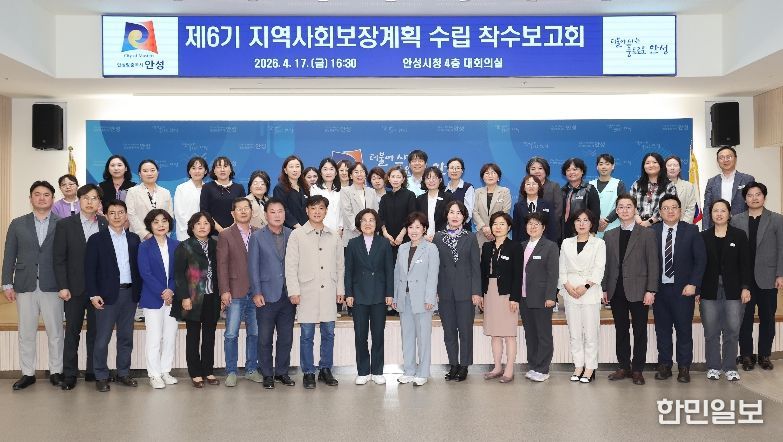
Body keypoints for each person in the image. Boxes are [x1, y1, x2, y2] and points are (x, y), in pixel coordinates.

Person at [2, 181, 63, 391]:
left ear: (52, 199)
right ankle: (27, 373)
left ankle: (56, 371)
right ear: (30, 198)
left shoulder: (62, 223)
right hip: (25, 284)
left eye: (46, 194)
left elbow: (66, 257)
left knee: (56, 332)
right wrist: (6, 283)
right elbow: (9, 254)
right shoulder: (17, 223)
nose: (41, 198)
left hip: (53, 286)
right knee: (26, 333)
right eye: (37, 194)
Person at [285, 195, 345, 389]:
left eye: (321, 208)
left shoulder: (334, 235)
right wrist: (293, 290)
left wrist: (340, 289)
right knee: (307, 335)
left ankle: (325, 369)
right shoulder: (297, 235)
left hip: (329, 291)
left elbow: (340, 265)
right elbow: (290, 266)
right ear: (307, 211)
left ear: (326, 211)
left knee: (329, 333)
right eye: (313, 208)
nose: (317, 212)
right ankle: (308, 372)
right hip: (306, 291)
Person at [53, 183, 107, 390]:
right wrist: (62, 286)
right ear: (79, 200)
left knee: (96, 332)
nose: (90, 202)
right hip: (73, 289)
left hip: (98, 291)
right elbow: (59, 258)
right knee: (72, 333)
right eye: (85, 198)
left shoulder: (105, 224)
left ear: (99, 202)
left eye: (94, 198)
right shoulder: (65, 225)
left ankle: (93, 371)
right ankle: (70, 374)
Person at [85, 200, 141, 392]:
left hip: (129, 295)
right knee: (102, 339)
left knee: (126, 337)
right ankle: (101, 375)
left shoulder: (134, 239)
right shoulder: (96, 239)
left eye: (120, 212)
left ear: (126, 215)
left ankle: (123, 373)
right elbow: (89, 270)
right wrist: (93, 294)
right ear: (106, 216)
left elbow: (138, 268)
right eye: (112, 213)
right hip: (106, 297)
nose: (117, 216)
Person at [602, 194, 658, 385]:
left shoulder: (647, 234)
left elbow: (653, 263)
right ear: (616, 211)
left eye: (628, 206)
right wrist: (604, 288)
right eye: (621, 207)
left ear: (635, 210)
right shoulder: (609, 235)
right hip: (616, 290)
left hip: (640, 291)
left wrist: (651, 290)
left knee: (640, 331)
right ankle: (623, 366)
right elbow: (607, 265)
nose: (624, 210)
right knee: (621, 330)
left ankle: (637, 369)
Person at [652, 195, 706, 384]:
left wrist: (694, 284)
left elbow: (700, 260)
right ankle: (665, 365)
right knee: (662, 331)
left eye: (674, 207)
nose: (670, 211)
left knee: (684, 331)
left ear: (680, 210)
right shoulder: (652, 231)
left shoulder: (691, 230)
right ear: (660, 212)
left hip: (684, 290)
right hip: (659, 291)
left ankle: (684, 367)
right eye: (665, 208)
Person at [731, 181, 783, 371]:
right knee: (744, 319)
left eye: (758, 194)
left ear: (764, 197)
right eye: (750, 195)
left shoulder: (776, 219)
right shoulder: (736, 220)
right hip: (743, 280)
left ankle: (764, 355)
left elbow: (781, 248)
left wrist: (780, 274)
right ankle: (746, 355)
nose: (754, 198)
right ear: (745, 199)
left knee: (767, 318)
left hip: (768, 277)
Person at [699, 199, 752, 381]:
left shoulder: (739, 235)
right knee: (711, 331)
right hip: (708, 290)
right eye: (716, 210)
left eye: (723, 210)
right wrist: (697, 289)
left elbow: (746, 264)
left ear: (729, 214)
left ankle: (730, 367)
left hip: (734, 290)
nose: (719, 214)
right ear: (710, 214)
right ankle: (713, 367)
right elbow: (699, 265)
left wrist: (746, 287)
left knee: (732, 330)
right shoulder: (703, 236)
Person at [248, 199, 297, 389]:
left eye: (280, 211)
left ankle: (282, 372)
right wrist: (256, 292)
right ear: (266, 215)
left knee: (286, 338)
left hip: (288, 295)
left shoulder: (292, 235)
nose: (277, 215)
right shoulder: (257, 236)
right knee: (264, 338)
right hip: (266, 295)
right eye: (273, 211)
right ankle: (267, 374)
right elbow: (253, 267)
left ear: (285, 214)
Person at [344, 208, 394, 385]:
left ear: (376, 223)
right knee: (360, 336)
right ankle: (363, 371)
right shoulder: (352, 244)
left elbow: (389, 270)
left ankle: (378, 371)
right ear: (359, 224)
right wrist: (349, 293)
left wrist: (389, 293)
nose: (367, 223)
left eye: (371, 220)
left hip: (379, 295)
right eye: (364, 220)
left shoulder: (384, 243)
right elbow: (348, 270)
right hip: (359, 295)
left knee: (378, 335)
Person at [171, 212, 221, 388]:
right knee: (193, 336)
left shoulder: (216, 244)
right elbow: (178, 275)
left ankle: (208, 371)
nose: (202, 226)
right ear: (192, 227)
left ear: (211, 226)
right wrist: (184, 297)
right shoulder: (184, 246)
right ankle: (195, 373)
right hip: (192, 298)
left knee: (209, 337)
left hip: (212, 297)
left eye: (206, 223)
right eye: (198, 223)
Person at [434, 200, 482, 382]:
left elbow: (475, 266)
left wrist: (476, 292)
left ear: (464, 216)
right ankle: (453, 364)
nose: (455, 216)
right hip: (444, 291)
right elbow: (435, 267)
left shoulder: (470, 237)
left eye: (459, 213)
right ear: (446, 215)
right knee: (449, 331)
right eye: (451, 212)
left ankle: (464, 366)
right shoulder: (438, 237)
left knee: (465, 330)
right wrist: (434, 290)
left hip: (466, 291)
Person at [216, 197, 260, 387]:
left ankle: (251, 370)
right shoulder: (226, 234)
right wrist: (224, 290)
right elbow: (222, 265)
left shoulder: (259, 233)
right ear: (232, 213)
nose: (243, 211)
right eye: (239, 209)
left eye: (246, 208)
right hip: (234, 291)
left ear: (252, 211)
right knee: (231, 334)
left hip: (256, 292)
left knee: (255, 333)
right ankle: (231, 371)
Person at [558, 209, 606, 383]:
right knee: (575, 333)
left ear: (591, 223)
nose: (582, 223)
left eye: (585, 220)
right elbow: (562, 268)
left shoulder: (599, 243)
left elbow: (599, 268)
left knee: (591, 334)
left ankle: (590, 368)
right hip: (570, 292)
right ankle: (578, 366)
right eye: (578, 220)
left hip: (589, 292)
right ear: (573, 223)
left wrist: (585, 286)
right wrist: (567, 286)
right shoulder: (566, 243)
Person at [393, 212, 439, 386]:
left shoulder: (431, 248)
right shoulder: (402, 248)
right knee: (407, 336)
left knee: (423, 338)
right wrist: (396, 296)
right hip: (404, 298)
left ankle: (423, 372)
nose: (413, 230)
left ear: (424, 229)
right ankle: (409, 370)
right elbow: (397, 274)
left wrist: (430, 298)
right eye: (410, 227)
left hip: (423, 299)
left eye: (418, 227)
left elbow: (433, 275)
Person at [137, 209, 179, 389]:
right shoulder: (144, 246)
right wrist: (163, 291)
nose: (161, 225)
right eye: (156, 222)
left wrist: (171, 291)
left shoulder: (177, 245)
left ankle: (165, 371)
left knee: (170, 337)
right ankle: (154, 374)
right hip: (153, 298)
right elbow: (145, 273)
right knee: (154, 338)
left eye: (164, 221)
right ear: (150, 225)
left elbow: (180, 272)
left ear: (169, 223)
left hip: (173, 298)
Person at [519, 212, 560, 382]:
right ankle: (534, 365)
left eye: (537, 224)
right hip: (524, 297)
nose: (533, 227)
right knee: (530, 334)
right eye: (530, 223)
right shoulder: (521, 246)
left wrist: (551, 296)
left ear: (543, 228)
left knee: (543, 334)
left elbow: (553, 274)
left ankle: (543, 368)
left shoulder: (550, 246)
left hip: (542, 298)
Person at [480, 212, 520, 383]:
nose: (498, 227)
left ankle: (509, 369)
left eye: (502, 224)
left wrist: (515, 298)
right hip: (490, 293)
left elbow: (518, 275)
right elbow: (482, 272)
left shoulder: (515, 247)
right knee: (495, 334)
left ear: (509, 227)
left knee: (509, 334)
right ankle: (497, 367)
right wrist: (481, 294)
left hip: (507, 294)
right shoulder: (486, 247)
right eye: (495, 223)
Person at [703, 146, 755, 230]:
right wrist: (705, 229)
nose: (725, 160)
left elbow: (753, 204)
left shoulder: (747, 179)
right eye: (721, 157)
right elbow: (707, 207)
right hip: (717, 227)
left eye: (729, 157)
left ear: (735, 159)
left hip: (742, 226)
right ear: (717, 161)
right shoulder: (711, 182)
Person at [126, 159, 173, 240]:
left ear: (157, 172)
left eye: (152, 170)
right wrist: (146, 235)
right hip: (139, 238)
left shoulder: (165, 192)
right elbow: (131, 215)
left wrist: (164, 233)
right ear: (140, 174)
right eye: (145, 171)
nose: (149, 173)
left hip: (162, 237)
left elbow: (170, 215)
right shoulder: (132, 192)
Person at [379, 165, 417, 258]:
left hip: (405, 238)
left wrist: (401, 235)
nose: (395, 180)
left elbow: (412, 217)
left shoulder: (410, 195)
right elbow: (381, 218)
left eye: (398, 177)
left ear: (403, 179)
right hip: (387, 239)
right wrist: (386, 234)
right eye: (393, 176)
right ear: (389, 178)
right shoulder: (384, 197)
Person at [200, 156, 245, 234]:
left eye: (225, 166)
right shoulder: (207, 187)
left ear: (230, 169)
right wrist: (220, 230)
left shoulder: (239, 188)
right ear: (214, 170)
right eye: (219, 167)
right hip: (213, 233)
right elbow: (204, 212)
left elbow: (243, 210)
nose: (222, 169)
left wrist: (232, 228)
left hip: (236, 231)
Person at [629, 153, 676, 228]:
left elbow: (669, 206)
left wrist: (649, 222)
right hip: (637, 224)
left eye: (654, 162)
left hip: (660, 225)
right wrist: (638, 219)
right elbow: (630, 203)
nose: (651, 165)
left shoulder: (669, 185)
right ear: (644, 166)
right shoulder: (637, 184)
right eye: (647, 163)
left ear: (661, 165)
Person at [341, 162, 380, 247]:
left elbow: (375, 212)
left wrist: (370, 229)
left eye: (362, 171)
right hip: (353, 235)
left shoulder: (371, 191)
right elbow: (347, 213)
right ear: (350, 176)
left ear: (365, 175)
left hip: (371, 235)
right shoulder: (345, 191)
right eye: (356, 172)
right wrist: (362, 229)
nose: (359, 174)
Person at [473, 163, 512, 249]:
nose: (490, 175)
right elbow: (474, 211)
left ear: (498, 177)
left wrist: (493, 229)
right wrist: (484, 227)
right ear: (483, 177)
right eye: (487, 173)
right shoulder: (477, 192)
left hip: (500, 233)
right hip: (482, 234)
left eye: (493, 173)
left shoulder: (505, 191)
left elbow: (505, 212)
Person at [561, 158, 601, 239]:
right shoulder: (562, 191)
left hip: (583, 231)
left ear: (582, 171)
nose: (571, 172)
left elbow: (595, 213)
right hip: (564, 232)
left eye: (575, 169)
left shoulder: (589, 189)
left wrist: (592, 232)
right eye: (568, 170)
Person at [589, 154, 627, 238]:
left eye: (607, 164)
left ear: (613, 166)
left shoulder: (619, 184)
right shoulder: (590, 185)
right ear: (597, 167)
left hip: (613, 226)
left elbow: (622, 205)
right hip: (593, 227)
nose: (604, 167)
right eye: (601, 164)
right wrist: (596, 221)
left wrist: (607, 220)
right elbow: (587, 206)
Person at [511, 175, 557, 242]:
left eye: (534, 184)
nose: (531, 186)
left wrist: (552, 244)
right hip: (523, 243)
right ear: (524, 188)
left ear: (539, 187)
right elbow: (516, 228)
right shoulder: (518, 206)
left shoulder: (547, 204)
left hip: (544, 243)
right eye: (528, 184)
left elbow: (552, 226)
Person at [526, 157, 563, 241]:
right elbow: (522, 209)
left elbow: (558, 211)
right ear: (529, 171)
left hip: (549, 232)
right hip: (529, 232)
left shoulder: (554, 186)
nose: (537, 171)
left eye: (540, 168)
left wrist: (542, 227)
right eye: (533, 169)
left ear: (546, 170)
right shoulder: (525, 187)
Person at [174, 157, 208, 241]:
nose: (197, 171)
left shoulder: (208, 189)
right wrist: (192, 228)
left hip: (205, 231)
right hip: (185, 232)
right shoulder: (181, 188)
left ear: (205, 171)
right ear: (189, 171)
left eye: (200, 168)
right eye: (193, 168)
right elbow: (179, 213)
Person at [415, 166, 453, 241]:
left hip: (444, 238)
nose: (431, 181)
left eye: (434, 178)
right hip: (424, 239)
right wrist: (423, 235)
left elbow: (451, 219)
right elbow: (417, 220)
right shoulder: (419, 199)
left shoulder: (448, 197)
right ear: (424, 181)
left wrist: (439, 236)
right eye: (428, 178)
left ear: (440, 180)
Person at [272, 155, 309, 229]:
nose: (295, 170)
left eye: (297, 166)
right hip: (289, 230)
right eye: (291, 167)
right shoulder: (280, 188)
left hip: (306, 228)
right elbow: (282, 209)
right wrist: (297, 226)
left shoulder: (304, 187)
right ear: (285, 170)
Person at [309, 158, 342, 234]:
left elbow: (342, 212)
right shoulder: (315, 189)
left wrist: (341, 228)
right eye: (325, 169)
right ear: (320, 173)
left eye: (331, 169)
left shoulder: (340, 190)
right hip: (321, 231)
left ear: (336, 172)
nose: (328, 172)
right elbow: (316, 212)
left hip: (338, 232)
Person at [665, 155, 699, 223]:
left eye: (675, 165)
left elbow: (690, 209)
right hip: (661, 226)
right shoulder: (658, 186)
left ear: (680, 169)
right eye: (669, 165)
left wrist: (682, 225)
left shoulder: (688, 186)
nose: (672, 168)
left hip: (682, 225)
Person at [444, 157, 475, 229]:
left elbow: (469, 211)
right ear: (447, 170)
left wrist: (457, 224)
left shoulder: (468, 187)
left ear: (462, 171)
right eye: (452, 168)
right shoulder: (444, 190)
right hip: (446, 229)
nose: (454, 171)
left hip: (463, 228)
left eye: (457, 168)